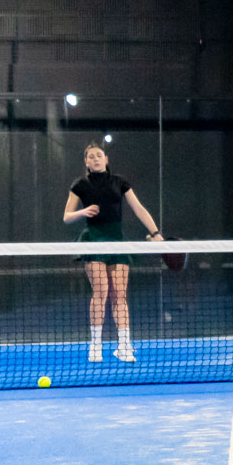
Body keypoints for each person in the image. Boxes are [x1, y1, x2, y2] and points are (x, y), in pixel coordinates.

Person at [63, 142, 163, 363]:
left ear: (106, 159)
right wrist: (83, 212)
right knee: (101, 291)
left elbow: (138, 209)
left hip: (117, 241)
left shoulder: (119, 182)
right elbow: (67, 217)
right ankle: (95, 346)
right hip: (93, 240)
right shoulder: (80, 184)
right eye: (91, 156)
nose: (96, 159)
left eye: (99, 155)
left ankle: (124, 346)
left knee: (119, 293)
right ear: (86, 162)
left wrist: (155, 232)